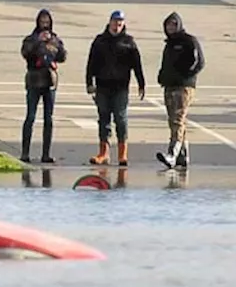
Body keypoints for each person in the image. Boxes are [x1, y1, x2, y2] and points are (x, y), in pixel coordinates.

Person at [85, 9, 145, 166]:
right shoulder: (100, 41)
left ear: (123, 24)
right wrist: (89, 83)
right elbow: (91, 63)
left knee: (121, 119)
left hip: (121, 87)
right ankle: (103, 153)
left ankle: (122, 154)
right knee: (103, 119)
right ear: (109, 22)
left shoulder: (129, 42)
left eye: (120, 23)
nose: (117, 26)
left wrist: (141, 83)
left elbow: (137, 64)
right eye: (115, 22)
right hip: (102, 86)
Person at [156, 12, 205, 169]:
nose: (171, 28)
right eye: (168, 25)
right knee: (175, 121)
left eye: (174, 25)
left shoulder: (188, 41)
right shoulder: (169, 44)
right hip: (169, 85)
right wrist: (162, 76)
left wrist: (185, 76)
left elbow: (199, 62)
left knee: (177, 119)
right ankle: (182, 155)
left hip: (183, 87)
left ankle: (172, 154)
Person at [19, 8, 66, 164]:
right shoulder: (30, 39)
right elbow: (26, 53)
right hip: (34, 79)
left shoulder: (55, 39)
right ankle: (25, 153)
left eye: (47, 22)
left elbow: (62, 56)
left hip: (49, 81)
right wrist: (39, 42)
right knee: (30, 116)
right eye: (42, 22)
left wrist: (52, 46)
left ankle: (46, 154)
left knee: (49, 118)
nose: (45, 25)